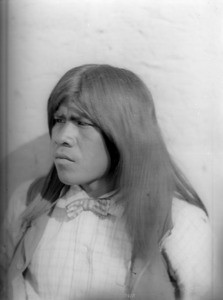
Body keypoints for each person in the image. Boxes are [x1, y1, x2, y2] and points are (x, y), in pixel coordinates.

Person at [3, 64, 211, 299]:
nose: (61, 137)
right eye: (58, 120)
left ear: (123, 134)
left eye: (81, 123)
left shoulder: (180, 223)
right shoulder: (28, 201)